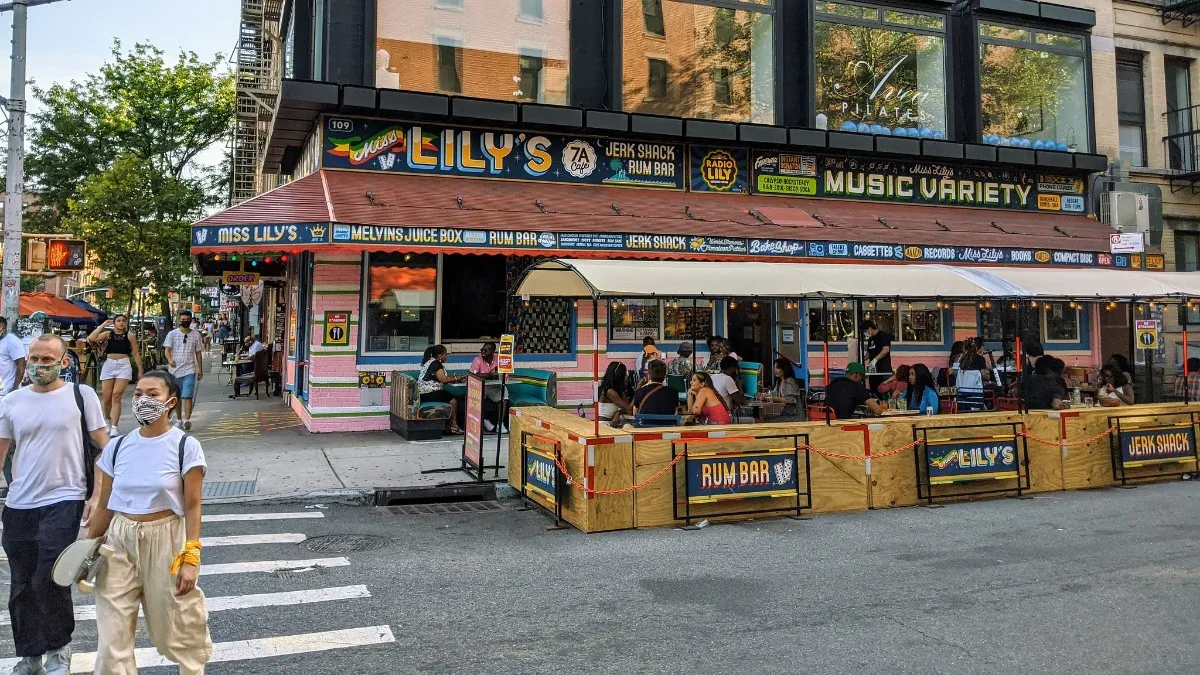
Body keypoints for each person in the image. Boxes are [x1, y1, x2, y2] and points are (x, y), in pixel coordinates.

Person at [88, 369, 213, 673]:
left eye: (153, 395)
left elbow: (193, 505)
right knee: (112, 637)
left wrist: (190, 557)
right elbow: (104, 503)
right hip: (119, 541)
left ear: (170, 402)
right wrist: (88, 547)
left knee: (176, 627)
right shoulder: (117, 447)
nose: (143, 400)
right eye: (139, 394)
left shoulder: (185, 446)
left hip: (167, 539)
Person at [0, 334, 109, 675]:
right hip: (19, 503)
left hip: (66, 498)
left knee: (51, 577)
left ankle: (59, 650)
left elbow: (105, 448)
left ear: (63, 361)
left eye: (47, 360)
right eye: (34, 358)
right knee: (21, 583)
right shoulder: (12, 401)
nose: (38, 365)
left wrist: (97, 498)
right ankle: (30, 656)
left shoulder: (81, 395)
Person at [88, 314, 144, 435]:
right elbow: (91, 338)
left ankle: (115, 426)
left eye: (123, 321)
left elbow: (135, 353)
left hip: (124, 365)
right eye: (118, 321)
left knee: (116, 395)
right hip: (109, 365)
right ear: (114, 323)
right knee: (107, 397)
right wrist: (103, 325)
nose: (121, 323)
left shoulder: (130, 336)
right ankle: (107, 420)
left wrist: (140, 370)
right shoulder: (108, 335)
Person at [163, 310, 203, 430]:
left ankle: (187, 419)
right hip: (174, 370)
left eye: (187, 319)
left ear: (191, 320)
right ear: (178, 320)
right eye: (182, 320)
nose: (185, 321)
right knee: (177, 396)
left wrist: (200, 369)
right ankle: (179, 419)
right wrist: (170, 360)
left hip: (189, 369)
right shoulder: (172, 334)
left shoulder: (196, 335)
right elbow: (167, 350)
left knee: (187, 395)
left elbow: (198, 353)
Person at [418, 345, 466, 434]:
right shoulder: (436, 363)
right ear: (440, 355)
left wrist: (455, 378)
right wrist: (456, 378)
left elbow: (441, 377)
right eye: (445, 354)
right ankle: (453, 425)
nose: (446, 356)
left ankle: (449, 425)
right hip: (430, 392)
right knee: (453, 400)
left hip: (423, 392)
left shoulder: (429, 362)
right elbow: (443, 379)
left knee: (449, 397)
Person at [955, 337, 992, 411]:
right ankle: (991, 407)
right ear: (977, 347)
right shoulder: (980, 358)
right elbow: (986, 376)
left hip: (963, 394)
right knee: (995, 386)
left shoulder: (963, 359)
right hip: (976, 395)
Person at [0, 316, 27, 397]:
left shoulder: (12, 341)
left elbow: (21, 365)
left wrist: (15, 388)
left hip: (5, 392)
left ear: (3, 328)